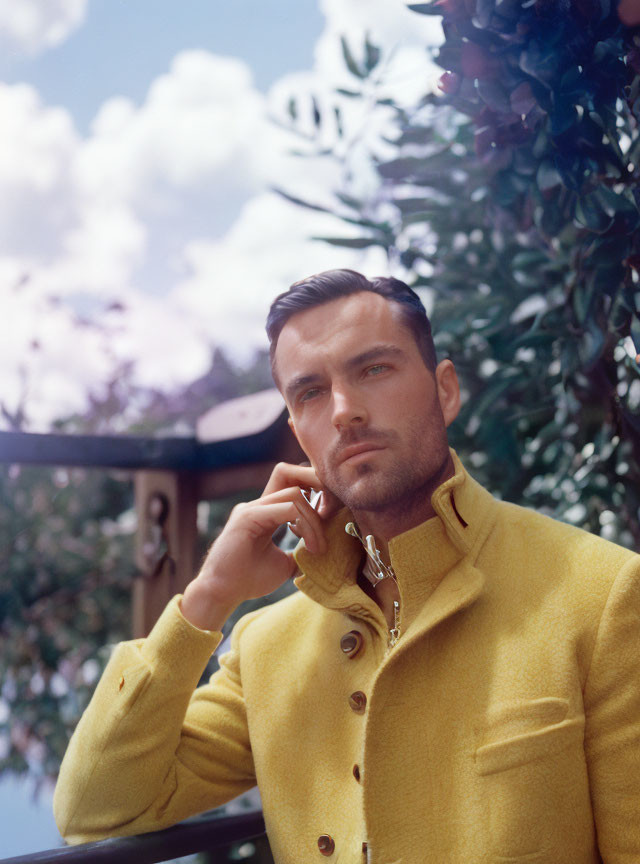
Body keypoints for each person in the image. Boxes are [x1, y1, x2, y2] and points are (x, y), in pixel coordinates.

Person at [54, 269, 640, 863]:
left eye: (374, 369)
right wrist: (207, 596)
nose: (344, 411)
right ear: (298, 434)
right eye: (309, 392)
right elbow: (95, 810)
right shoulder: (267, 648)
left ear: (445, 391)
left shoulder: (601, 593)